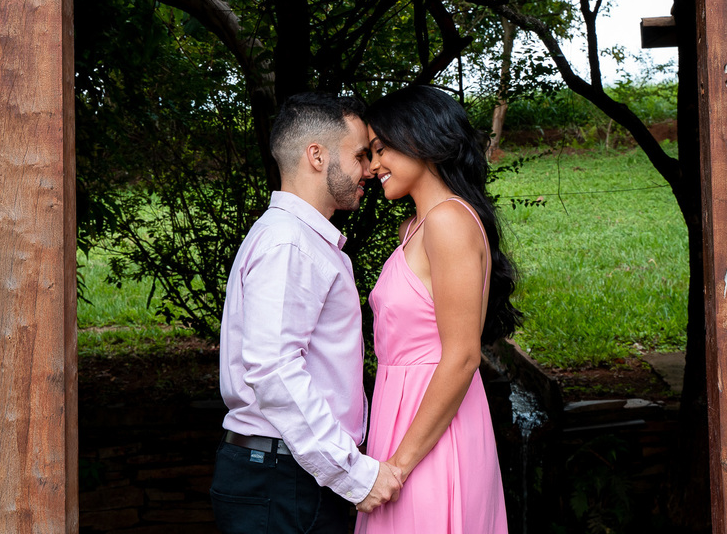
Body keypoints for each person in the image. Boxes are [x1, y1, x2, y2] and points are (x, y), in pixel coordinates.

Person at [211, 93, 404, 534]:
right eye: (359, 155)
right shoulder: (289, 244)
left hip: (286, 473)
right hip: (281, 480)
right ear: (316, 156)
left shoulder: (296, 239)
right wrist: (353, 475)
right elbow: (274, 369)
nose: (370, 170)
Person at [354, 85, 520, 534]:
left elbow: (463, 355)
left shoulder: (448, 221)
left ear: (421, 139)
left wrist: (398, 467)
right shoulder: (416, 227)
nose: (373, 167)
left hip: (433, 433)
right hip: (402, 416)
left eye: (381, 149)